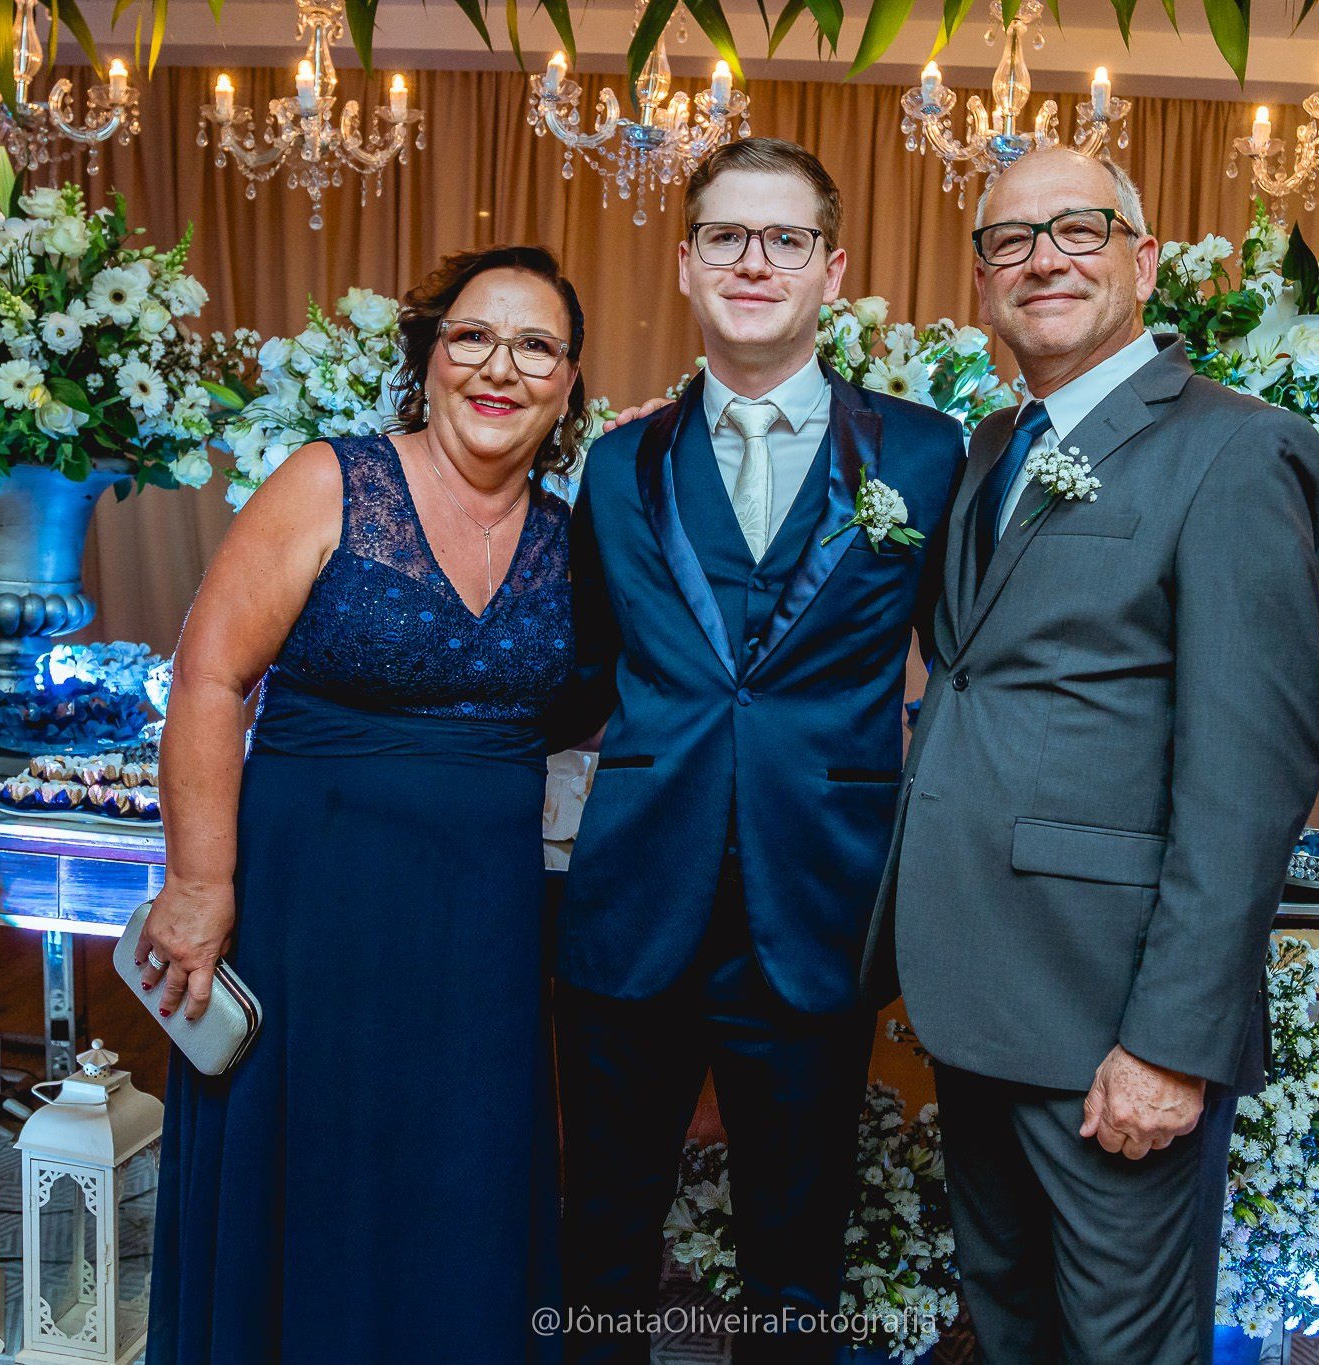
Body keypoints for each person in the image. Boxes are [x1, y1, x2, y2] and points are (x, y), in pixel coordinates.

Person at [860, 149, 1319, 1363]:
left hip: (1110, 1016)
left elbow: (1250, 774)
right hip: (977, 993)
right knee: (1011, 1321)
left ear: (1143, 256)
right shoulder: (987, 450)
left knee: (1124, 1341)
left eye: (1078, 228)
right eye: (1009, 242)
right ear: (981, 282)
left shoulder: (1236, 449)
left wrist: (1170, 1042)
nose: (1043, 259)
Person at [550, 138, 968, 1363]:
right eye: (725, 236)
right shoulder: (619, 462)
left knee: (797, 1248)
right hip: (634, 894)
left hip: (816, 902)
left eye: (783, 239)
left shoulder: (928, 454)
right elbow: (576, 673)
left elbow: (968, 669)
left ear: (829, 269)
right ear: (684, 263)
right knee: (604, 1233)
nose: (753, 261)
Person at [137, 244, 587, 1364]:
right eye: (472, 336)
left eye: (535, 346)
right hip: (309, 910)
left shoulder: (572, 540)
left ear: (568, 383)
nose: (500, 367)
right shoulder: (329, 482)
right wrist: (197, 886)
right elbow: (208, 677)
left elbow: (600, 713)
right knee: (311, 1161)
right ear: (428, 356)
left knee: (463, 1173)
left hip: (483, 932)